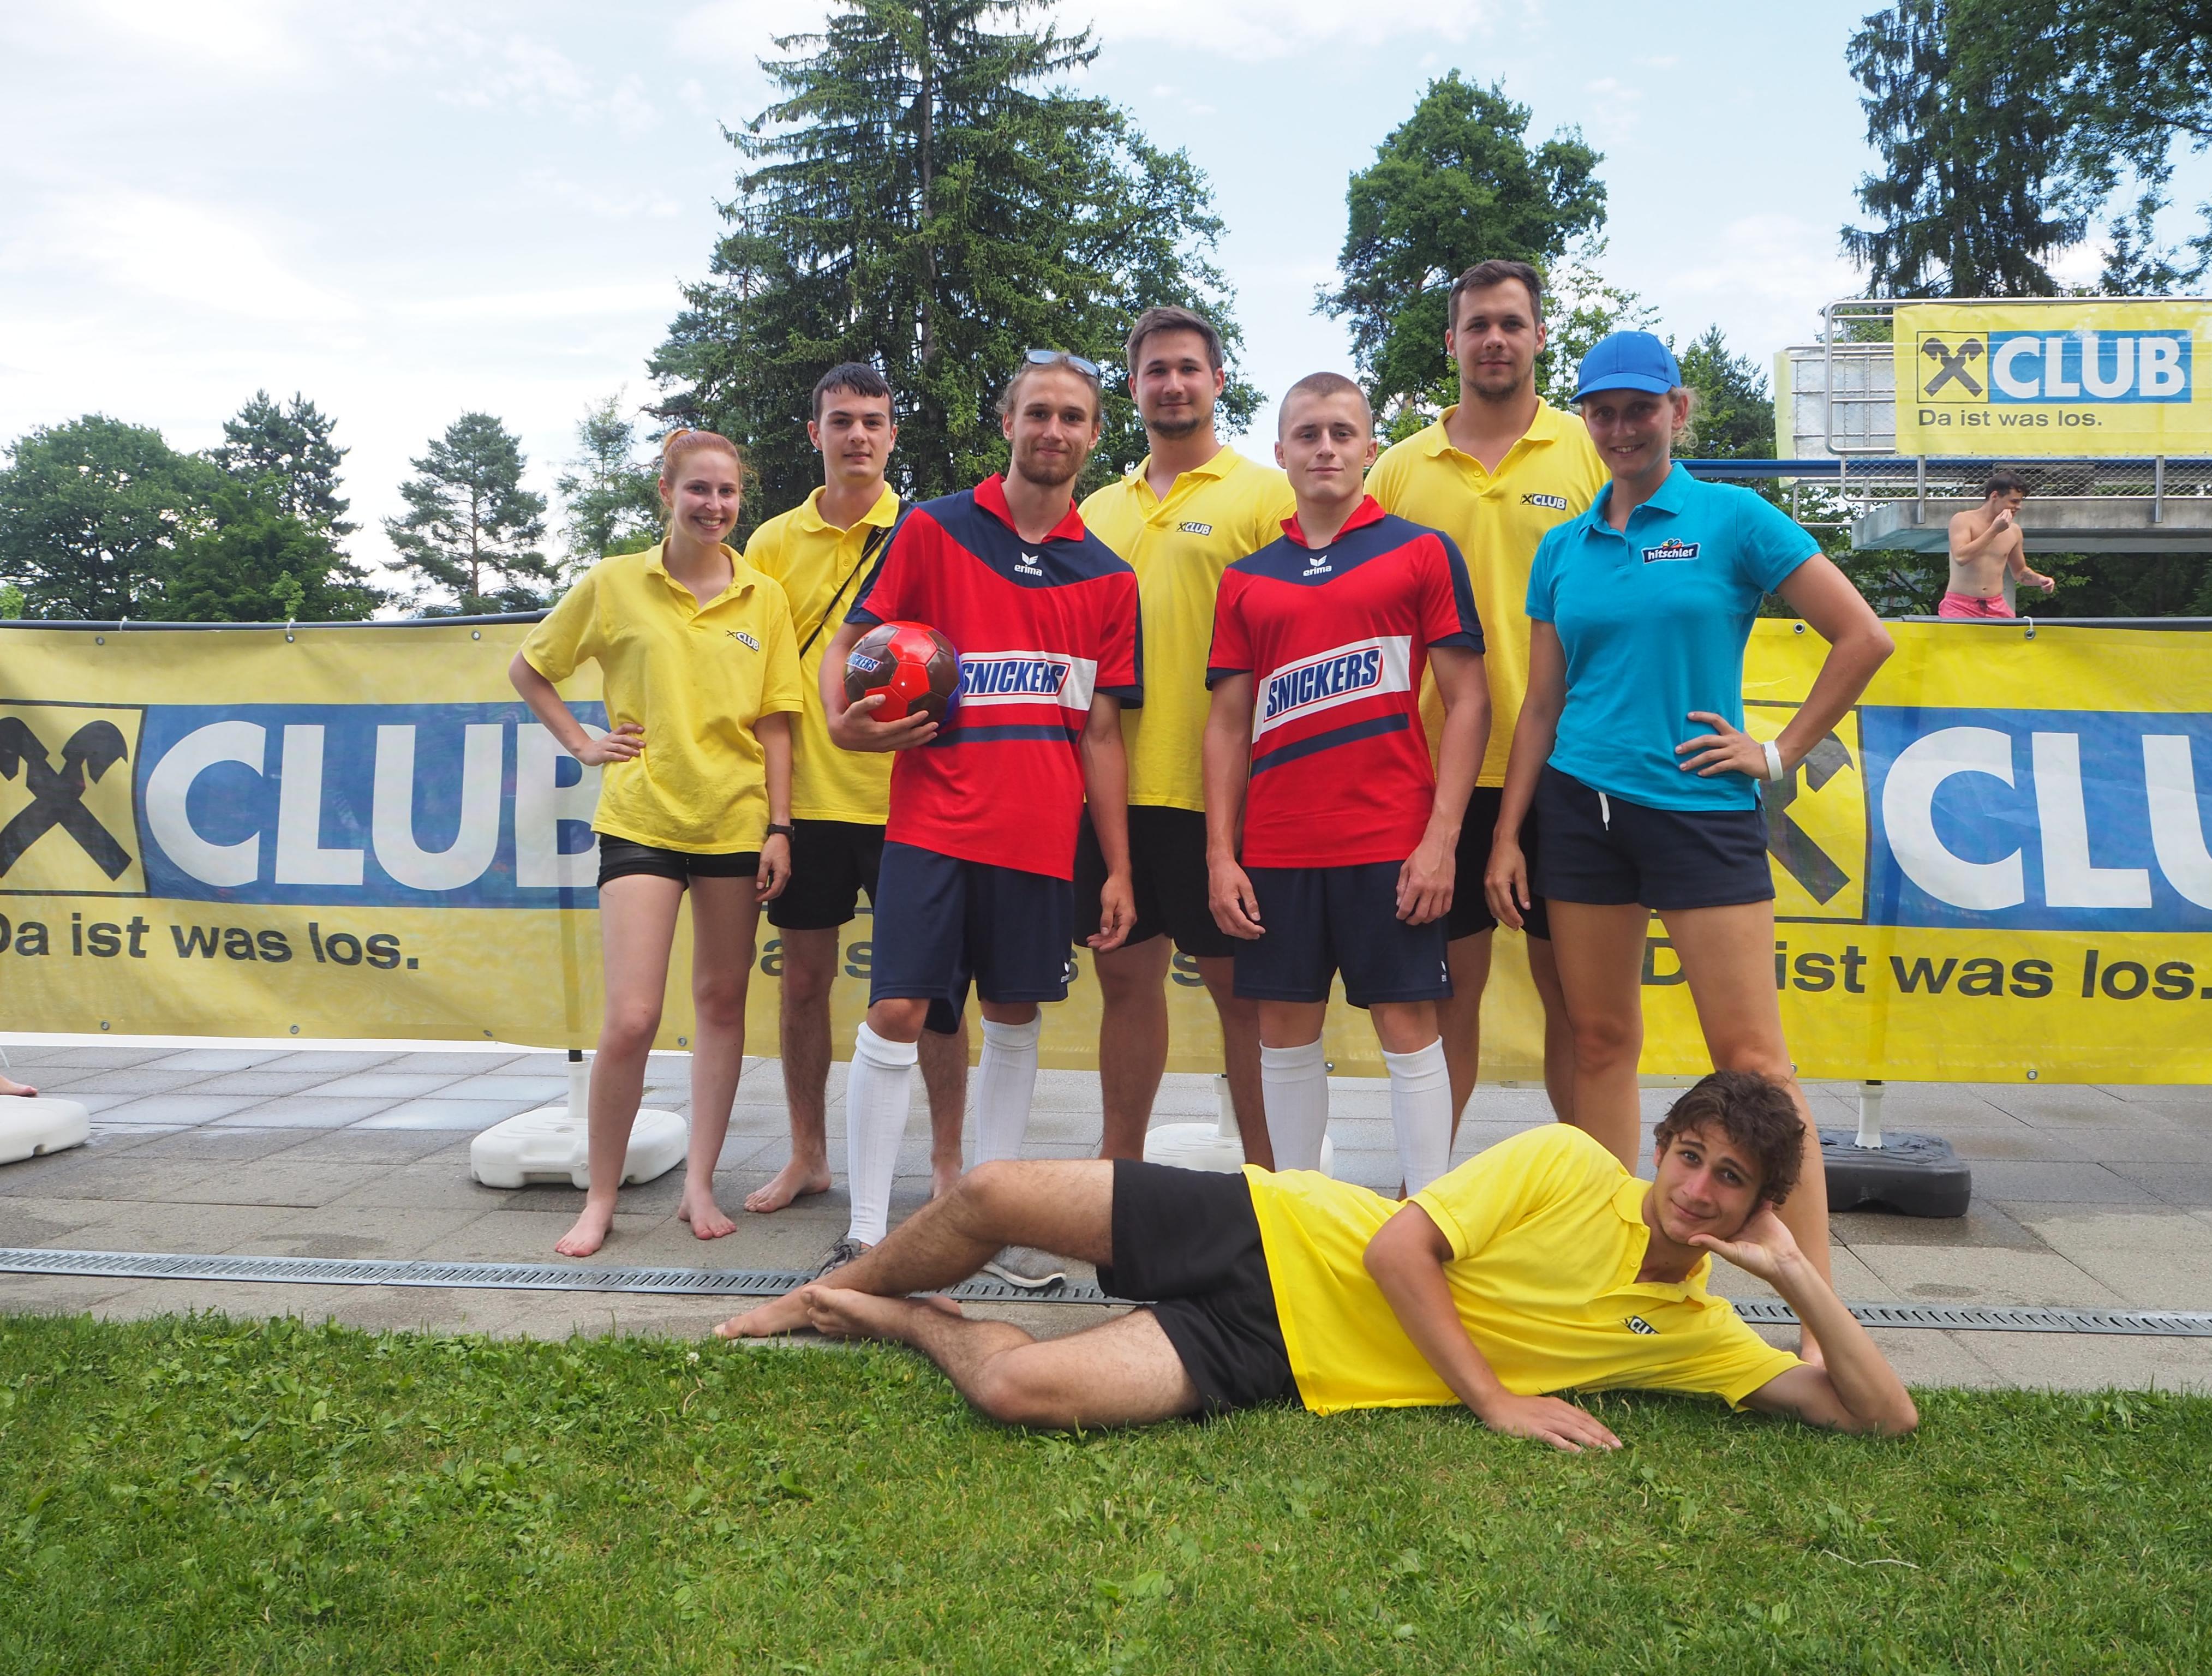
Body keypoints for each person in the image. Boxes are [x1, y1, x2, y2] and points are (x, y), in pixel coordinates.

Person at [717, 1070, 1919, 1447]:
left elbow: (1881, 1417)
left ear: (1760, 1207)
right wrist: (1492, 1398)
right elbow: (1400, 1250)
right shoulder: (1565, 1161)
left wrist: (1799, 1281)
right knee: (990, 1192)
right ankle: (817, 1293)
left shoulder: (1701, 1333)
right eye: (1689, 1157)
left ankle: (901, 1317)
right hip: (1270, 1225)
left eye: (1728, 1181)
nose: (1696, 1191)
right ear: (1660, 1147)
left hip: (1276, 1355)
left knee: (1021, 1390)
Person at [1485, 330, 1895, 1318]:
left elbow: (1863, 636)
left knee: (1755, 1064)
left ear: (1677, 409)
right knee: (1596, 1042)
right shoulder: (1563, 546)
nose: (1621, 428)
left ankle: (1819, 1314)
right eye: (1603, 412)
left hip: (1701, 814)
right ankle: (1609, 1281)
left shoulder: (1733, 517)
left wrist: (1778, 752)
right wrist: (1505, 835)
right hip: (1578, 810)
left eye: (1640, 408)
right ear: (1585, 421)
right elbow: (1541, 707)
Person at [814, 350, 1141, 1288]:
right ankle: (866, 1237)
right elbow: (850, 645)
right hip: (931, 826)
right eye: (1038, 412)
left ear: (1093, 435)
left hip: (1037, 837)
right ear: (1008, 423)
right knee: (896, 1010)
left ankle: (985, 1230)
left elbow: (1102, 734)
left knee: (1014, 1015)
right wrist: (843, 721)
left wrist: (1117, 868)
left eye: (1072, 417)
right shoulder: (933, 529)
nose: (1053, 430)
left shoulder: (1109, 577)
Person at [510, 429, 800, 1258]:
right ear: (666, 493)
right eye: (698, 489)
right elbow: (530, 669)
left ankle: (699, 1183)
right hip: (641, 819)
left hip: (735, 824)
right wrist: (581, 742)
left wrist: (780, 828)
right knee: (633, 1017)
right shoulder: (613, 583)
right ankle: (600, 1198)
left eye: (727, 492)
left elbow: (776, 724)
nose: (715, 505)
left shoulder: (764, 597)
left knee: (720, 1002)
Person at [1204, 373, 1491, 1197]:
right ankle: (1301, 1214)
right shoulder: (1246, 578)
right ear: (1280, 452)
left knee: (1408, 1027)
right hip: (1278, 849)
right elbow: (1226, 725)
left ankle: (1424, 1216)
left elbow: (1471, 702)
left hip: (1390, 842)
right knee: (1283, 1031)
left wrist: (1441, 841)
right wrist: (1220, 855)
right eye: (1307, 434)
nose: (1325, 448)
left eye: (1341, 433)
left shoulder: (1421, 551)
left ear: (1370, 448)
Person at [1365, 259, 1609, 1136]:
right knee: (1446, 999)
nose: (1494, 339)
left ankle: (1591, 1187)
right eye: (1478, 325)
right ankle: (1428, 1189)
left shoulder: (1592, 453)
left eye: (1511, 323)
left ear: (1540, 335)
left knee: (1579, 1004)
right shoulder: (1397, 471)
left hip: (1571, 766)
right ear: (1452, 342)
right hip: (1437, 775)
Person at [742, 364, 971, 1215]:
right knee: (803, 984)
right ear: (816, 434)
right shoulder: (770, 544)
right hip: (807, 804)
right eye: (841, 421)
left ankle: (947, 1164)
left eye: (874, 420)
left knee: (935, 995)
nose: (858, 436)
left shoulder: (929, 532)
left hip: (912, 800)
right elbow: (755, 678)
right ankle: (809, 1155)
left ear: (893, 434)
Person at [1075, 307, 1294, 1165]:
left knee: (1243, 995)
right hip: (1114, 789)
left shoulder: (1269, 496)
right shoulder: (1097, 509)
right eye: (1156, 371)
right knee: (1125, 982)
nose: (1173, 385)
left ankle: (1268, 1184)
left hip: (1226, 791)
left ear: (1219, 381)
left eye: (1188, 369)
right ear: (1133, 387)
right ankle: (1118, 1171)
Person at [1942, 471, 2054, 619]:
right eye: (2014, 501)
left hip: (1996, 605)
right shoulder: (1963, 520)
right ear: (1995, 496)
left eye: (2020, 502)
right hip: (1960, 606)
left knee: (2015, 633)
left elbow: (2020, 572)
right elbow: (1961, 557)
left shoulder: (2014, 531)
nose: (2018, 507)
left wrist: (2040, 580)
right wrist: (1994, 530)